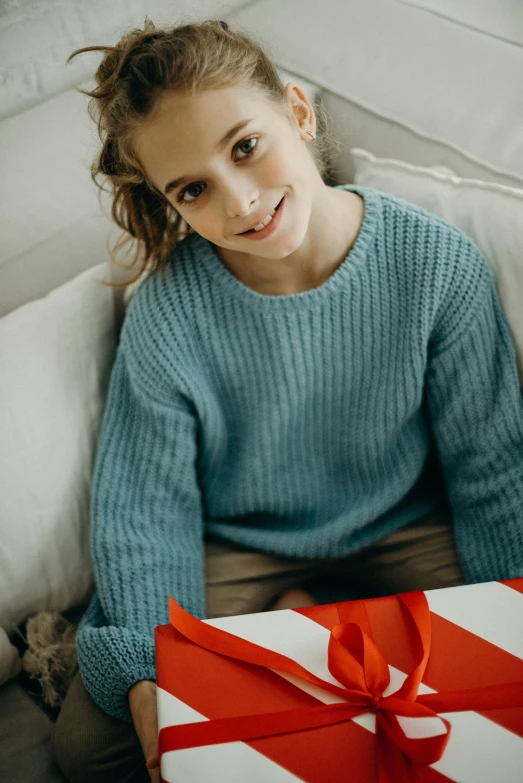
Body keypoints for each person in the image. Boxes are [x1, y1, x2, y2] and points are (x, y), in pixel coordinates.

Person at [52, 17, 523, 783]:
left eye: (245, 146)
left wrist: (512, 616)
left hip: (401, 523)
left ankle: (313, 615)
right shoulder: (169, 315)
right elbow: (145, 507)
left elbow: (492, 468)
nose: (239, 201)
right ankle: (299, 611)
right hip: (239, 544)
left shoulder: (437, 266)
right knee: (90, 746)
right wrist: (145, 676)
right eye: (194, 189)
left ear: (298, 114)